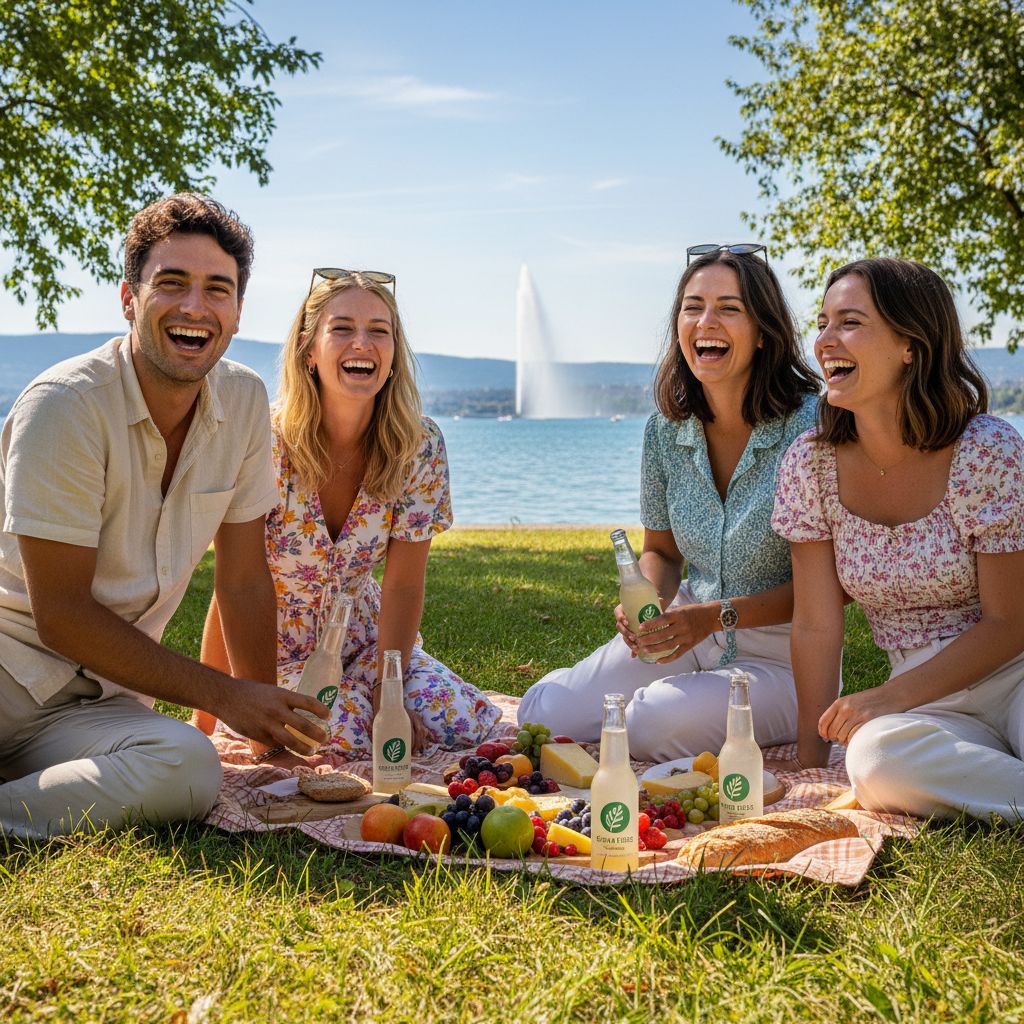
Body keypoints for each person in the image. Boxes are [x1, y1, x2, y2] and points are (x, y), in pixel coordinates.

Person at [0, 194, 330, 840]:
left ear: (237, 312)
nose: (194, 308)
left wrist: (263, 721)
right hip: (8, 675)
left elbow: (241, 580)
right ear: (129, 298)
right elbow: (61, 614)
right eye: (171, 284)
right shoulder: (65, 406)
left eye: (218, 289)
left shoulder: (242, 401)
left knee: (186, 766)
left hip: (96, 708)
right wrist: (223, 695)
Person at [518, 244, 821, 761]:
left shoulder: (811, 427)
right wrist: (648, 601)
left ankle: (686, 705)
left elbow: (828, 590)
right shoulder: (665, 429)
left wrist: (712, 618)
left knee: (648, 725)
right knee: (543, 711)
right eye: (693, 306)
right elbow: (661, 550)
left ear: (764, 332)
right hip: (685, 633)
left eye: (729, 308)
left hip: (785, 656)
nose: (707, 321)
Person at [196, 269, 501, 756]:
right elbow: (232, 584)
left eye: (379, 331)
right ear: (308, 349)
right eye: (342, 329)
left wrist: (390, 686)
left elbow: (403, 584)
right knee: (341, 734)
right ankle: (340, 709)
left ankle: (369, 695)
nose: (363, 343)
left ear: (394, 352)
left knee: (462, 722)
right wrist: (207, 719)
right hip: (274, 653)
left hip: (365, 640)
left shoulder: (419, 446)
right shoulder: (263, 442)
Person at [772, 258, 1024, 821]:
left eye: (850, 323)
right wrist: (813, 761)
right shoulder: (809, 465)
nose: (824, 341)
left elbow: (1010, 623)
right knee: (875, 760)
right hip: (926, 700)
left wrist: (886, 698)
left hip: (1014, 671)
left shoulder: (986, 450)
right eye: (823, 321)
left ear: (910, 344)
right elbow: (816, 623)